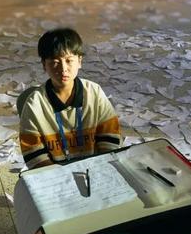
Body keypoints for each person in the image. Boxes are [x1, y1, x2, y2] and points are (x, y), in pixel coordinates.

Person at [19, 28, 122, 170]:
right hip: (55, 176)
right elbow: (34, 155)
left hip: (97, 169)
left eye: (69, 60)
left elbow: (110, 138)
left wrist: (101, 168)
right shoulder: (34, 104)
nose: (63, 69)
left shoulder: (94, 92)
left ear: (79, 61)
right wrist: (62, 177)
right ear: (44, 65)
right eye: (55, 62)